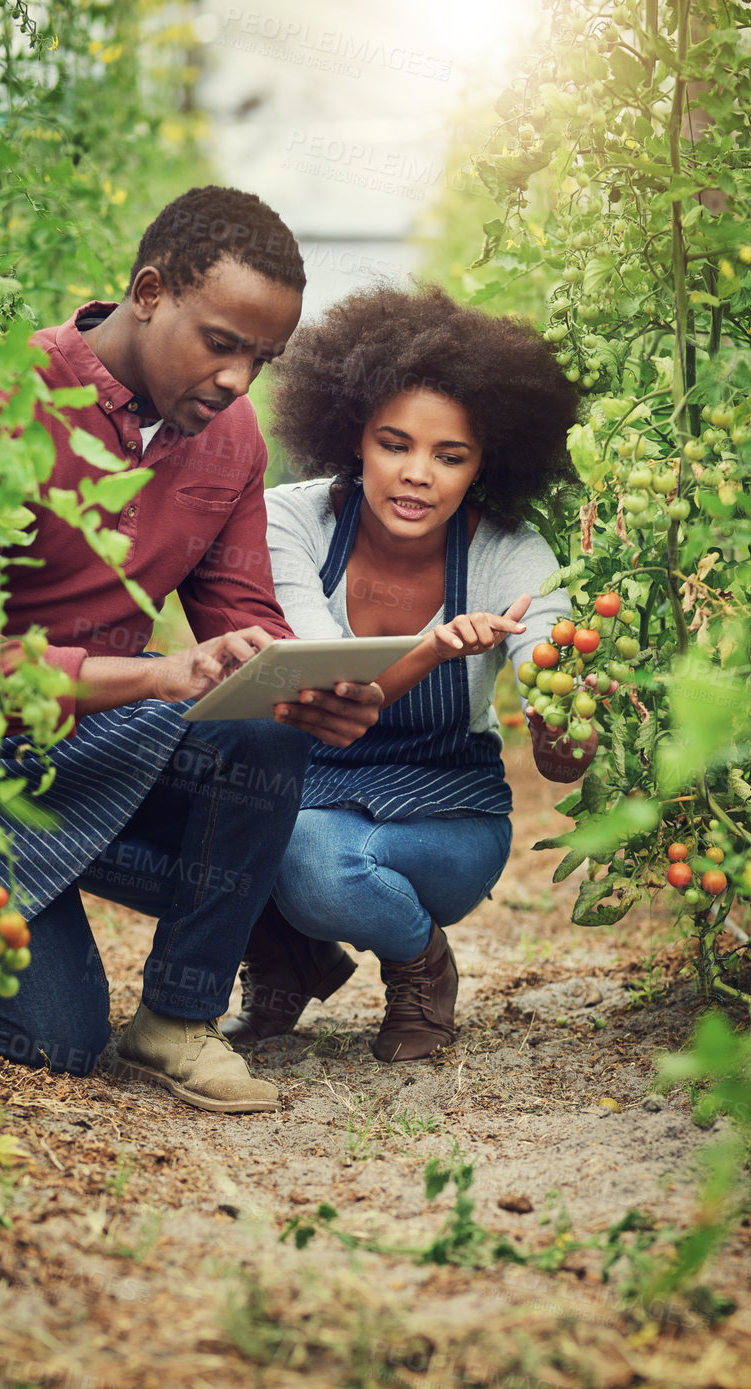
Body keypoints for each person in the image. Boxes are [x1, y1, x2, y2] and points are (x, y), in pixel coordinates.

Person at [0, 186, 383, 1113]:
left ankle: (175, 1022)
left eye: (259, 359)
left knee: (265, 740)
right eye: (220, 343)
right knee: (55, 1041)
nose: (237, 380)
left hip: (93, 739)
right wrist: (157, 673)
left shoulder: (230, 441)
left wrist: (304, 689)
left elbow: (242, 623)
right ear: (148, 291)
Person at [220, 284, 582, 1063]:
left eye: (449, 456)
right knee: (246, 811)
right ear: (353, 437)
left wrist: (568, 712)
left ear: (485, 462)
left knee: (310, 859)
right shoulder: (292, 520)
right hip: (312, 790)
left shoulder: (508, 555)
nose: (418, 474)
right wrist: (433, 647)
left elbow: (558, 739)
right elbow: (325, 683)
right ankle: (291, 953)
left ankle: (418, 963)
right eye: (395, 444)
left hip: (444, 820)